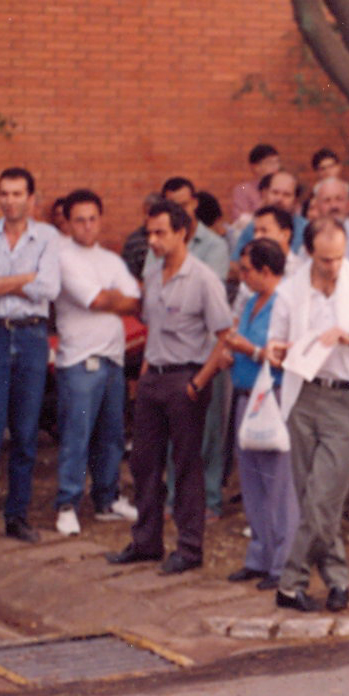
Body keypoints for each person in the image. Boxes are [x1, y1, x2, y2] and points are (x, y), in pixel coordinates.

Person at [265, 218, 349, 613]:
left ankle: (290, 581)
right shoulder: (289, 291)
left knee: (324, 497)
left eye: (338, 258)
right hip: (302, 395)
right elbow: (274, 341)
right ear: (309, 254)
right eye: (324, 259)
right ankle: (337, 581)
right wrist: (275, 351)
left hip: (343, 398)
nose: (333, 265)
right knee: (314, 499)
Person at [106, 199, 232, 575]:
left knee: (186, 466)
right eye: (150, 233)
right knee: (144, 462)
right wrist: (145, 374)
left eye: (161, 233)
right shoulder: (152, 276)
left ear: (183, 233)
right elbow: (153, 328)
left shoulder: (203, 279)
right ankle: (146, 541)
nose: (154, 241)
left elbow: (225, 338)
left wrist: (198, 381)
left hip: (186, 379)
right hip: (154, 378)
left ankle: (189, 548)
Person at [0, 167, 61, 559]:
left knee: (24, 434)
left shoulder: (49, 237)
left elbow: (50, 288)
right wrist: (27, 278)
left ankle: (17, 517)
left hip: (32, 336)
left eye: (17, 193)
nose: (9, 200)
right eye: (3, 193)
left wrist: (0, 280)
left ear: (31, 199)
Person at [53, 189, 142, 535]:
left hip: (113, 356)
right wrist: (113, 297)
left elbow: (135, 301)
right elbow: (96, 299)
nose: (88, 226)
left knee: (111, 435)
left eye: (93, 219)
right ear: (68, 222)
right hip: (79, 358)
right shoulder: (63, 257)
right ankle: (66, 504)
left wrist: (115, 298)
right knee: (77, 434)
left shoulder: (111, 259)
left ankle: (106, 500)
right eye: (80, 220)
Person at [220, 238, 299, 590]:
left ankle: (282, 562)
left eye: (248, 270)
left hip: (272, 395)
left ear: (266, 271)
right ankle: (260, 554)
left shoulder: (286, 303)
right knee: (251, 479)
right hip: (245, 395)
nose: (243, 276)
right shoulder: (252, 301)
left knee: (278, 483)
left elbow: (284, 355)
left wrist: (248, 350)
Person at [231, 143, 280, 224]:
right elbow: (240, 219)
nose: (276, 167)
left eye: (277, 162)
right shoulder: (243, 189)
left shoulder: (283, 188)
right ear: (255, 167)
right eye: (270, 163)